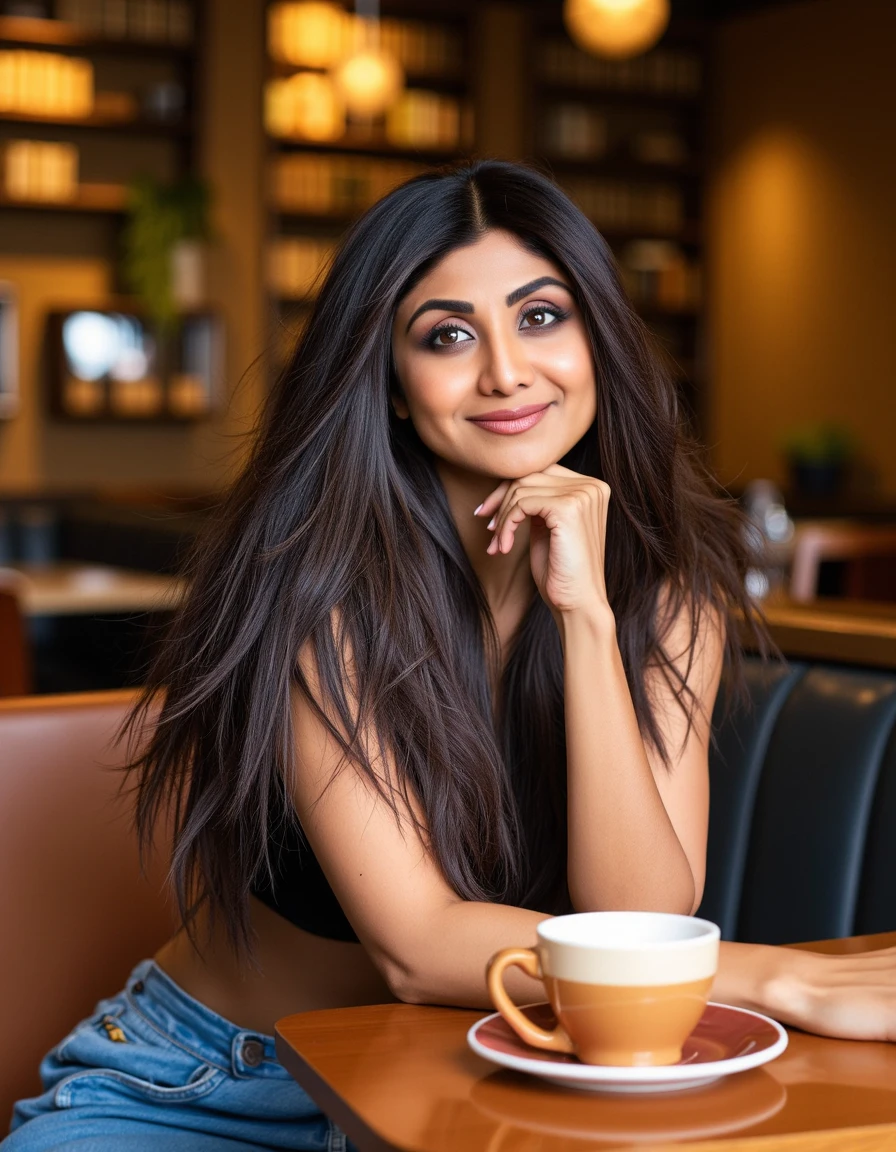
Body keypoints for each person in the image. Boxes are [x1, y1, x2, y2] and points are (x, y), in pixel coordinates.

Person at [5, 160, 895, 1151]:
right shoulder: (317, 592)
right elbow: (417, 950)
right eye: (448, 336)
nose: (507, 371)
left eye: (541, 316)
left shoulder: (664, 592)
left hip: (465, 1091)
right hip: (211, 1090)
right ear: (388, 383)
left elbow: (636, 912)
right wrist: (781, 975)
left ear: (598, 338)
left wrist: (586, 618)